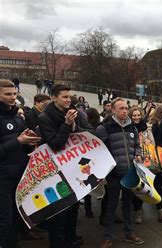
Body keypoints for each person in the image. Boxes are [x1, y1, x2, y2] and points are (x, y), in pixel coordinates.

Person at [37, 83, 94, 248]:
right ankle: (57, 243)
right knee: (60, 211)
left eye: (69, 96)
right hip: (57, 170)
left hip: (75, 166)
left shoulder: (75, 112)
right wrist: (67, 124)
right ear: (54, 98)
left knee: (74, 207)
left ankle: (71, 238)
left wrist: (75, 126)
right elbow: (55, 144)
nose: (69, 100)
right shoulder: (45, 117)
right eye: (64, 97)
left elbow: (91, 131)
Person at [96, 98, 144, 247]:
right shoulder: (105, 128)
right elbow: (100, 151)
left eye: (125, 108)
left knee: (128, 204)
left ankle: (129, 233)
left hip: (129, 172)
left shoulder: (132, 128)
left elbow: (137, 145)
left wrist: (138, 153)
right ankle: (107, 236)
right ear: (113, 110)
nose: (124, 110)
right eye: (121, 108)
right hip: (114, 174)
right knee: (111, 205)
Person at [0, 79, 41, 248]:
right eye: (7, 94)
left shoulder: (17, 116)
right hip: (3, 178)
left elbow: (21, 143)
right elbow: (14, 143)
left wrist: (29, 142)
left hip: (20, 176)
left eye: (14, 94)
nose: (12, 97)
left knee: (17, 220)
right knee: (5, 221)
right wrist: (18, 141)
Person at [128, 107, 148, 224]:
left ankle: (139, 208)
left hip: (146, 160)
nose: (136, 117)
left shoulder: (145, 128)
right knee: (135, 185)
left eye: (138, 115)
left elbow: (152, 140)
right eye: (134, 115)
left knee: (144, 184)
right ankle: (137, 210)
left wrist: (148, 140)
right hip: (133, 159)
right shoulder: (129, 128)